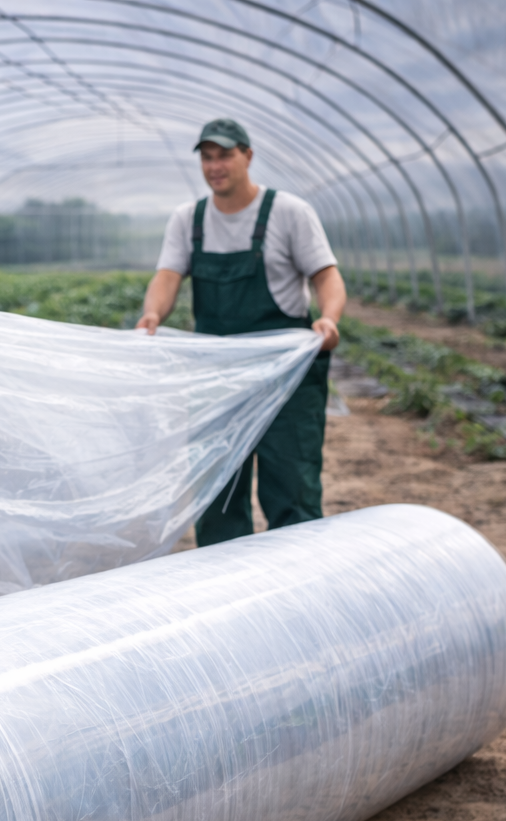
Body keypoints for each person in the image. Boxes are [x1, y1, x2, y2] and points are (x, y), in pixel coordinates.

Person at [137, 118, 346, 546]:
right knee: (218, 492)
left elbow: (326, 275)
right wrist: (152, 315)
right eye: (207, 157)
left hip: (286, 376)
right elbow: (167, 276)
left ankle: (299, 573)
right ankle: (228, 579)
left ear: (247, 156)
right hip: (217, 376)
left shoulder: (288, 212)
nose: (215, 166)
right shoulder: (189, 219)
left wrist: (328, 318)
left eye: (225, 155)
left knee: (292, 486)